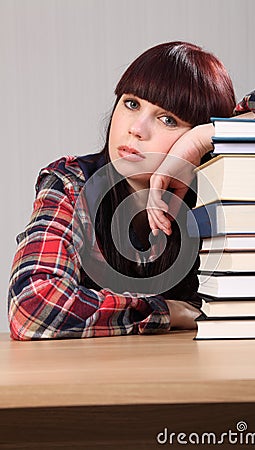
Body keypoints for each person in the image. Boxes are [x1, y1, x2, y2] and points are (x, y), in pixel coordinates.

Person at [8, 41, 236, 340]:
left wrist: (208, 137)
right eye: (131, 104)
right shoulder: (71, 182)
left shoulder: (225, 194)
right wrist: (165, 311)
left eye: (168, 119)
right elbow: (33, 308)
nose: (137, 128)